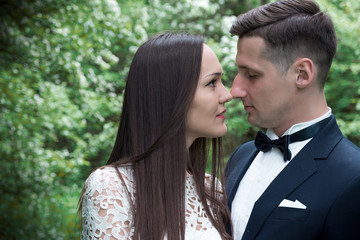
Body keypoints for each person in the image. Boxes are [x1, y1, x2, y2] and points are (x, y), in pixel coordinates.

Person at [225, 0, 360, 239]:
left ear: (302, 74)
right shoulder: (240, 157)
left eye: (252, 75)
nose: (235, 90)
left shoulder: (353, 175)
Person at [79, 32, 233, 240]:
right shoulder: (110, 187)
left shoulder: (211, 189)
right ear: (170, 95)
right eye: (212, 83)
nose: (227, 95)